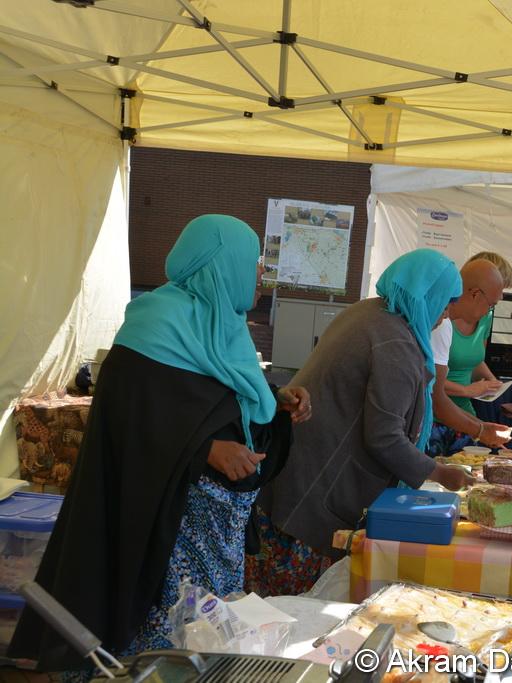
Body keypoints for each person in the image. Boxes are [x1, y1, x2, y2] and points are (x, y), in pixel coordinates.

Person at [9, 215, 312, 671]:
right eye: (253, 262)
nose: (260, 274)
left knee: (208, 638)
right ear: (220, 263)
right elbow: (130, 422)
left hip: (218, 533)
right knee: (165, 645)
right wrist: (205, 451)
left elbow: (216, 398)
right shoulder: (154, 325)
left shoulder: (223, 324)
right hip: (165, 529)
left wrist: (276, 400)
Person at [247, 249, 476, 596]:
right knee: (292, 609)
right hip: (315, 493)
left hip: (294, 475)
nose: (445, 316)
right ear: (425, 295)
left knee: (270, 601)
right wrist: (440, 473)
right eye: (444, 305)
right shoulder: (395, 341)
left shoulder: (369, 312)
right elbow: (385, 437)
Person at [427, 254, 512, 456]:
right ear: (475, 292)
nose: (490, 310)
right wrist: (480, 427)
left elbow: (475, 360)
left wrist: (494, 387)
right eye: (492, 303)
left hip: (460, 414)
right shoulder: (442, 324)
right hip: (437, 420)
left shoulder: (477, 317)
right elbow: (434, 391)